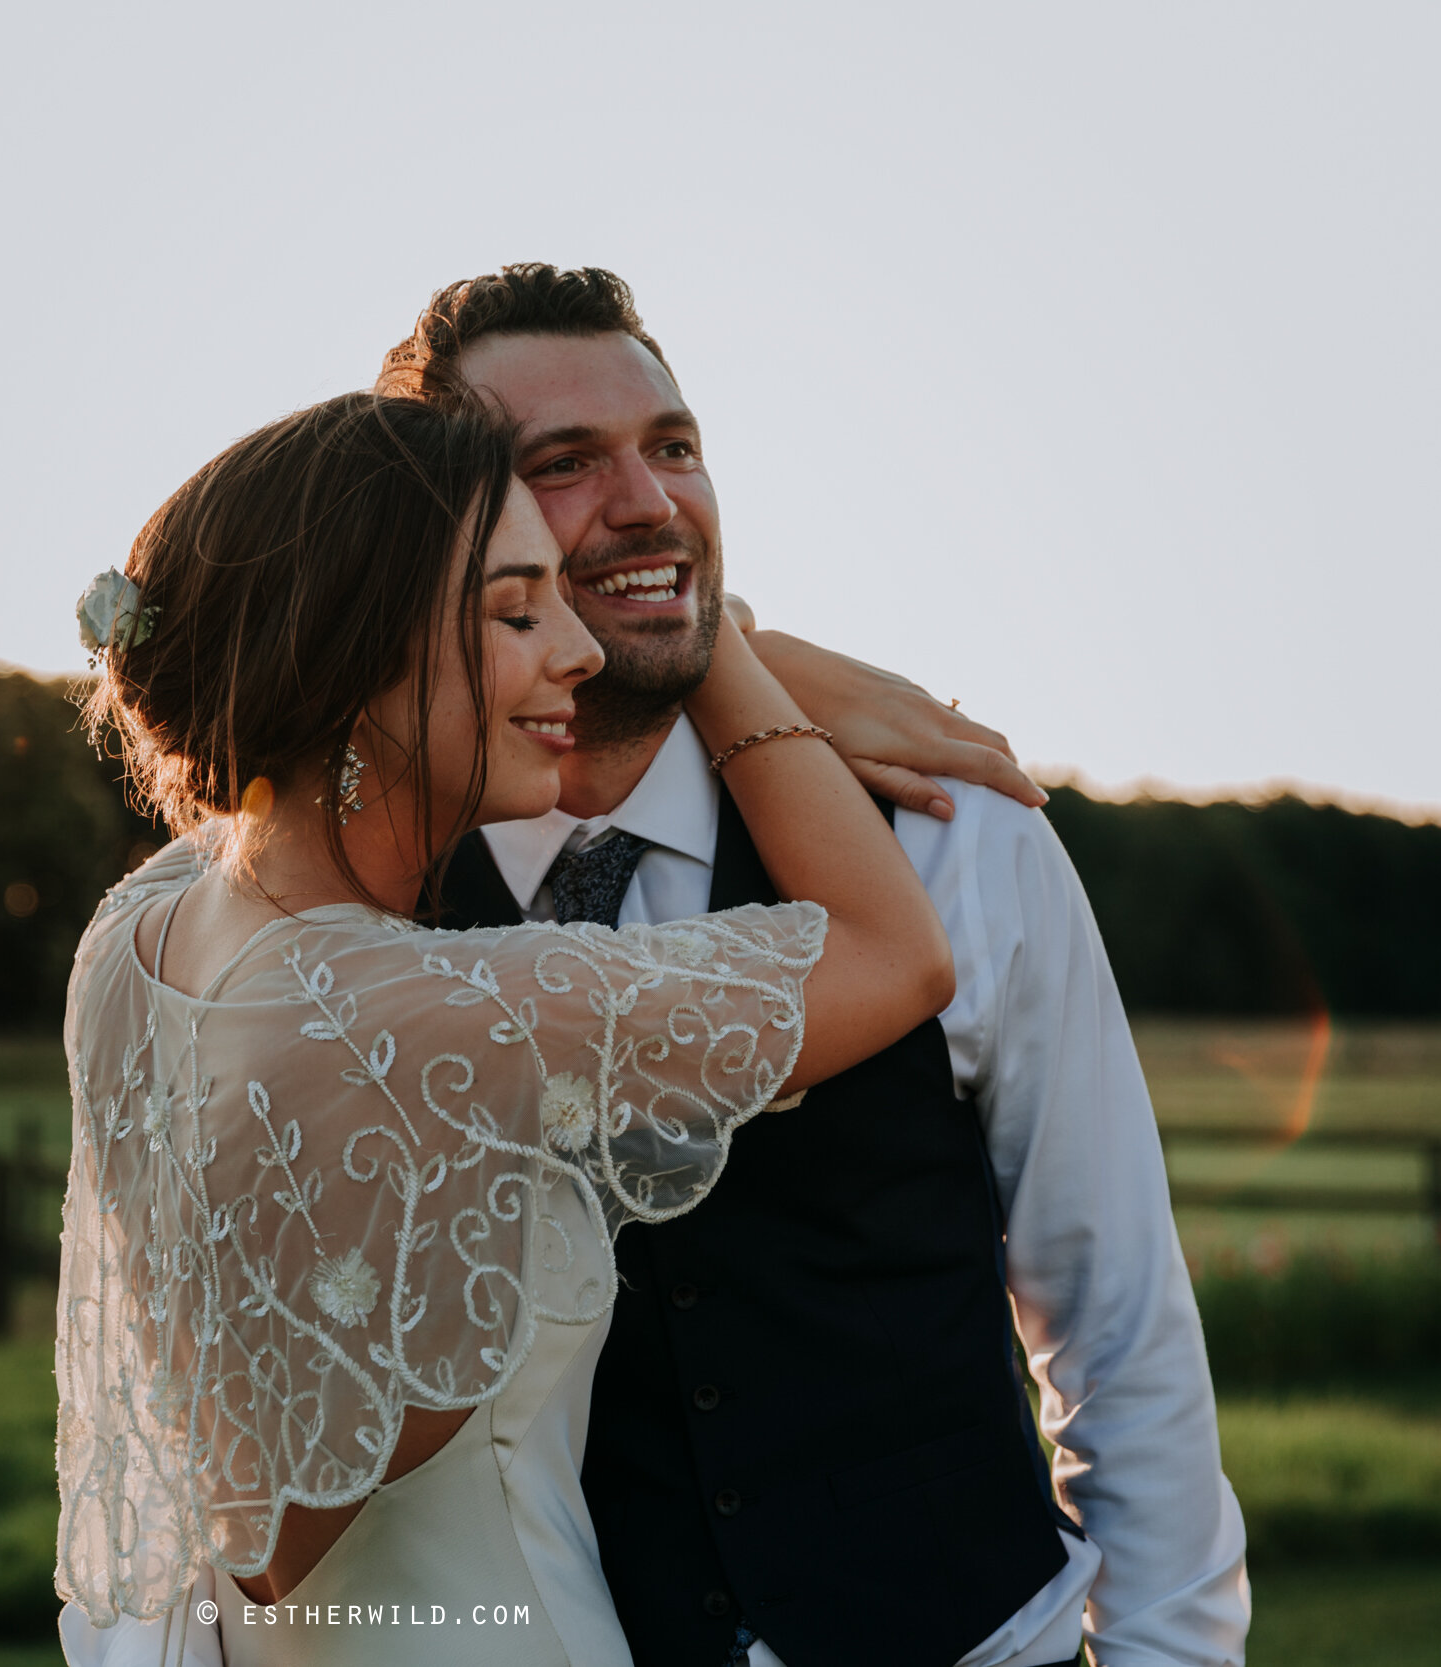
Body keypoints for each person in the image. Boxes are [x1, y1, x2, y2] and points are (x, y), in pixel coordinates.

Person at [377, 265, 1250, 1667]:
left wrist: (1169, 1654)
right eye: (564, 464)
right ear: (435, 537)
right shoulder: (367, 897)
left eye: (674, 445)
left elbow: (1118, 1318)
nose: (654, 500)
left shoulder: (956, 833)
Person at [56, 391, 964, 1667]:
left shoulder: (139, 935)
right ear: (351, 653)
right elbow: (894, 952)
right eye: (514, 610)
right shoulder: (451, 1015)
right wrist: (727, 659)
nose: (581, 652)